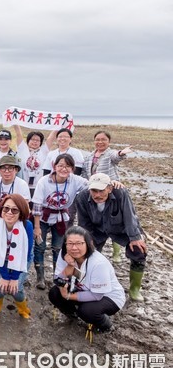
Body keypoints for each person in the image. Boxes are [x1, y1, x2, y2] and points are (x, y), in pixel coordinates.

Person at [77, 173, 147, 301]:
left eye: (101, 190)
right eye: (94, 191)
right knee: (87, 254)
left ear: (109, 188)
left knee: (138, 251)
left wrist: (135, 237)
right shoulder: (82, 197)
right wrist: (88, 240)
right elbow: (83, 223)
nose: (97, 195)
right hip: (97, 229)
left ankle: (134, 289)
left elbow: (129, 216)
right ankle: (91, 284)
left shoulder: (121, 193)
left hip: (120, 228)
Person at [49, 226, 125, 333]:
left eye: (79, 243)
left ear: (89, 243)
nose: (74, 248)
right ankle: (73, 314)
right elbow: (57, 280)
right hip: (83, 288)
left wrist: (68, 296)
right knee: (54, 293)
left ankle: (105, 325)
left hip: (107, 296)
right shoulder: (65, 255)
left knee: (87, 311)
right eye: (70, 243)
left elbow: (97, 295)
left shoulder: (98, 263)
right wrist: (69, 267)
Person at [31, 153, 88, 290]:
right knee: (40, 246)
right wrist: (37, 227)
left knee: (59, 248)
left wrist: (111, 183)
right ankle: (40, 277)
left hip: (61, 218)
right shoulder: (44, 181)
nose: (64, 169)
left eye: (68, 166)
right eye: (61, 165)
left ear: (72, 169)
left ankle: (59, 276)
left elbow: (91, 185)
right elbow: (37, 206)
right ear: (54, 166)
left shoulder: (75, 180)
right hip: (44, 217)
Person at [81, 131, 132, 263]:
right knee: (97, 220)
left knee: (115, 220)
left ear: (108, 141)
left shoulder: (110, 153)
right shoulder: (89, 156)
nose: (100, 142)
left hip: (109, 190)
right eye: (97, 139)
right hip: (94, 190)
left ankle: (116, 252)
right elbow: (85, 173)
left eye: (103, 139)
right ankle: (95, 251)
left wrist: (121, 153)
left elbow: (116, 157)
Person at [0, 194, 34, 318]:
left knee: (16, 289)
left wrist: (14, 278)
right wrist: (5, 276)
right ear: (1, 209)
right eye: (6, 208)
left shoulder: (26, 225)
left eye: (15, 210)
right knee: (0, 288)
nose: (9, 213)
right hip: (0, 260)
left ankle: (23, 310)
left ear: (21, 211)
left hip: (22, 259)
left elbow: (26, 254)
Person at [13, 125, 55, 196]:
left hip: (38, 186)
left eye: (37, 140)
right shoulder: (22, 149)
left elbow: (51, 138)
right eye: (32, 139)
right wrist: (14, 121)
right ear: (28, 140)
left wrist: (58, 126)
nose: (35, 142)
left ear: (41, 143)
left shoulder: (43, 151)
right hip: (22, 185)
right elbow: (18, 134)